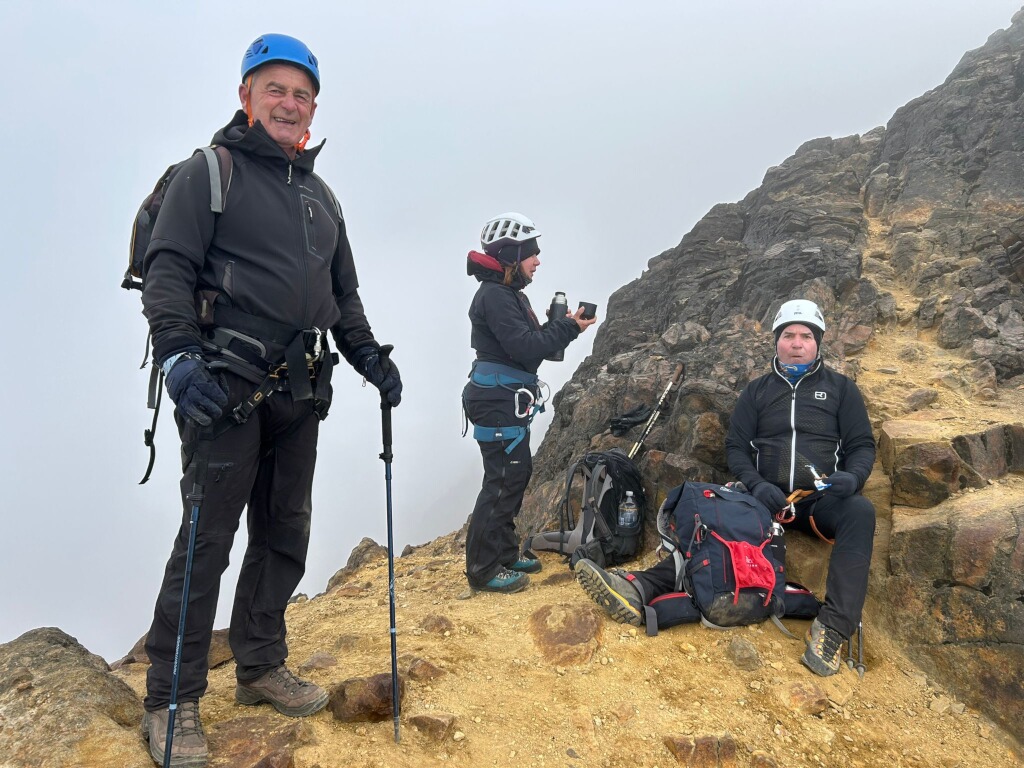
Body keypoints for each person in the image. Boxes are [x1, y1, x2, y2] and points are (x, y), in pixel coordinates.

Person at [139, 34, 402, 766]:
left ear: (313, 109)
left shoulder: (323, 197)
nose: (290, 104)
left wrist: (372, 360)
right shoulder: (210, 173)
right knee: (206, 541)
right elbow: (167, 272)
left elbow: (341, 299)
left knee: (285, 532)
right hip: (222, 387)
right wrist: (179, 357)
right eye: (275, 89)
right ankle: (171, 698)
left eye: (302, 94)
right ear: (246, 96)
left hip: (301, 389)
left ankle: (258, 665)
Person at [574, 299, 876, 677]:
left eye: (805, 336)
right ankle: (638, 587)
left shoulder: (841, 390)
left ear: (817, 343)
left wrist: (852, 478)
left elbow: (862, 445)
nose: (796, 343)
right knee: (714, 514)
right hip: (763, 499)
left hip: (821, 501)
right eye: (788, 336)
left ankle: (832, 628)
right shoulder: (759, 392)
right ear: (776, 341)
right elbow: (737, 447)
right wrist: (758, 485)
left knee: (861, 512)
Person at [463, 213, 597, 594]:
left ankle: (503, 552)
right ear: (511, 254)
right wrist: (568, 327)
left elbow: (532, 345)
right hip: (496, 400)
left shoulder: (508, 294)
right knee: (502, 479)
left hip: (504, 398)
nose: (537, 260)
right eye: (531, 253)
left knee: (515, 475)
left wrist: (567, 326)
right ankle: (483, 569)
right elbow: (526, 347)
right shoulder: (494, 295)